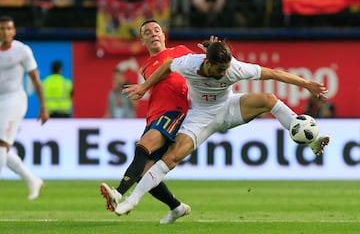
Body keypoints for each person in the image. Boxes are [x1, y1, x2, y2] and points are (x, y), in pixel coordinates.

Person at [116, 40, 331, 215]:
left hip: (229, 107)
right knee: (172, 158)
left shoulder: (234, 68)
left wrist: (306, 84)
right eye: (220, 69)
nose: (225, 72)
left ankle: (311, 142)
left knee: (268, 99)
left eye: (227, 68)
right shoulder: (189, 63)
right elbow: (167, 65)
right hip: (201, 117)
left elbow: (274, 74)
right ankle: (132, 201)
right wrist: (144, 86)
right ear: (207, 63)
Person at [99, 19, 213, 224]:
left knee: (142, 148)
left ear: (163, 35)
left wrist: (211, 51)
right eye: (147, 32)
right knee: (145, 173)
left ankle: (118, 193)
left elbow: (208, 66)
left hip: (174, 112)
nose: (153, 34)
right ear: (142, 40)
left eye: (156, 30)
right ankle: (176, 207)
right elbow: (163, 72)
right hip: (154, 116)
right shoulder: (147, 67)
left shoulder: (180, 51)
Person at [0, 15, 49, 200]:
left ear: (13, 31)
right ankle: (32, 179)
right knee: (1, 148)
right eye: (2, 28)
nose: (5, 32)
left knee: (2, 143)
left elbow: (35, 80)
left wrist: (43, 106)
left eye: (8, 28)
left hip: (13, 100)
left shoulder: (22, 50)